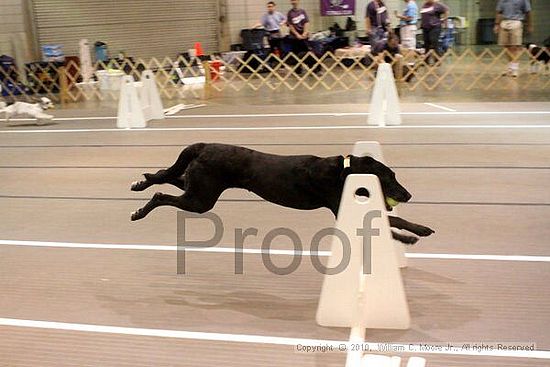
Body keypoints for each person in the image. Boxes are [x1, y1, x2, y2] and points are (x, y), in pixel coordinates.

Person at [494, 0, 533, 77]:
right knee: (506, 46)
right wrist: (496, 24)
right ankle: (509, 67)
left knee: (515, 46)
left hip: (516, 21)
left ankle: (515, 68)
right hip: (504, 22)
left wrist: (529, 25)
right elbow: (499, 12)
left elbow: (528, 12)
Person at [286, 0, 315, 73]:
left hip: (304, 35)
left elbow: (306, 22)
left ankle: (313, 68)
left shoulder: (303, 11)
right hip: (294, 36)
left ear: (298, 1)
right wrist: (297, 35)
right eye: (292, 1)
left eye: (295, 0)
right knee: (296, 54)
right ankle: (298, 69)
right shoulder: (290, 13)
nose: (293, 2)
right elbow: (290, 25)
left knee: (308, 52)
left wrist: (305, 32)